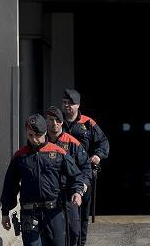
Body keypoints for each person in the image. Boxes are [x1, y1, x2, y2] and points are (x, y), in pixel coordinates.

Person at [1, 114, 85, 246]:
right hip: (29, 213)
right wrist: (5, 211)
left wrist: (78, 192)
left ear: (45, 132)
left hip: (54, 212)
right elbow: (10, 186)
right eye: (30, 135)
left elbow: (76, 176)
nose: (34, 139)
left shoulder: (58, 153)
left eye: (37, 135)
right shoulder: (19, 157)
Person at [61, 89, 109, 246]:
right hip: (61, 173)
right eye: (64, 103)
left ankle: (81, 242)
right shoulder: (57, 122)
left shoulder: (88, 123)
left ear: (78, 105)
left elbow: (103, 142)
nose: (67, 106)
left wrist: (98, 155)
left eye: (71, 103)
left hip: (83, 173)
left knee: (82, 211)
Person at [45, 106, 92, 246]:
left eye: (57, 120)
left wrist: (79, 190)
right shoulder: (41, 143)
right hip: (49, 197)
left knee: (73, 231)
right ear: (46, 122)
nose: (54, 123)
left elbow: (86, 168)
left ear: (62, 122)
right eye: (51, 120)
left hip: (70, 195)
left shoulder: (73, 143)